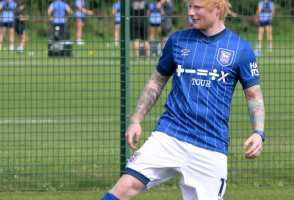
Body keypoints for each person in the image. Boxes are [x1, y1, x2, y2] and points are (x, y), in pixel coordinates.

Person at [101, 0, 266, 199]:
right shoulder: (178, 40)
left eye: (197, 7)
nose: (190, 12)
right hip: (169, 134)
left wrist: (258, 132)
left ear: (217, 8)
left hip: (210, 143)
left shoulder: (241, 48)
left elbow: (253, 94)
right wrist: (136, 119)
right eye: (189, 7)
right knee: (124, 187)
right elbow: (157, 81)